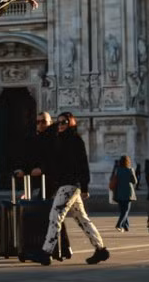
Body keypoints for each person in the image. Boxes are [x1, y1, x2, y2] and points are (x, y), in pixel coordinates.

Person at [28, 112, 108, 266]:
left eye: (64, 122)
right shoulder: (58, 140)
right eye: (58, 123)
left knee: (55, 215)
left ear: (71, 122)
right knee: (82, 219)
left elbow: (83, 164)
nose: (61, 125)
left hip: (71, 184)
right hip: (65, 184)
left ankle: (46, 252)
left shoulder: (76, 140)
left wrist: (85, 186)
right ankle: (101, 249)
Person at [111, 155, 137, 230]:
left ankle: (126, 226)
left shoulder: (117, 170)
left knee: (123, 210)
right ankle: (119, 224)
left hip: (119, 192)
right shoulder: (130, 170)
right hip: (128, 193)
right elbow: (134, 181)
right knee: (125, 211)